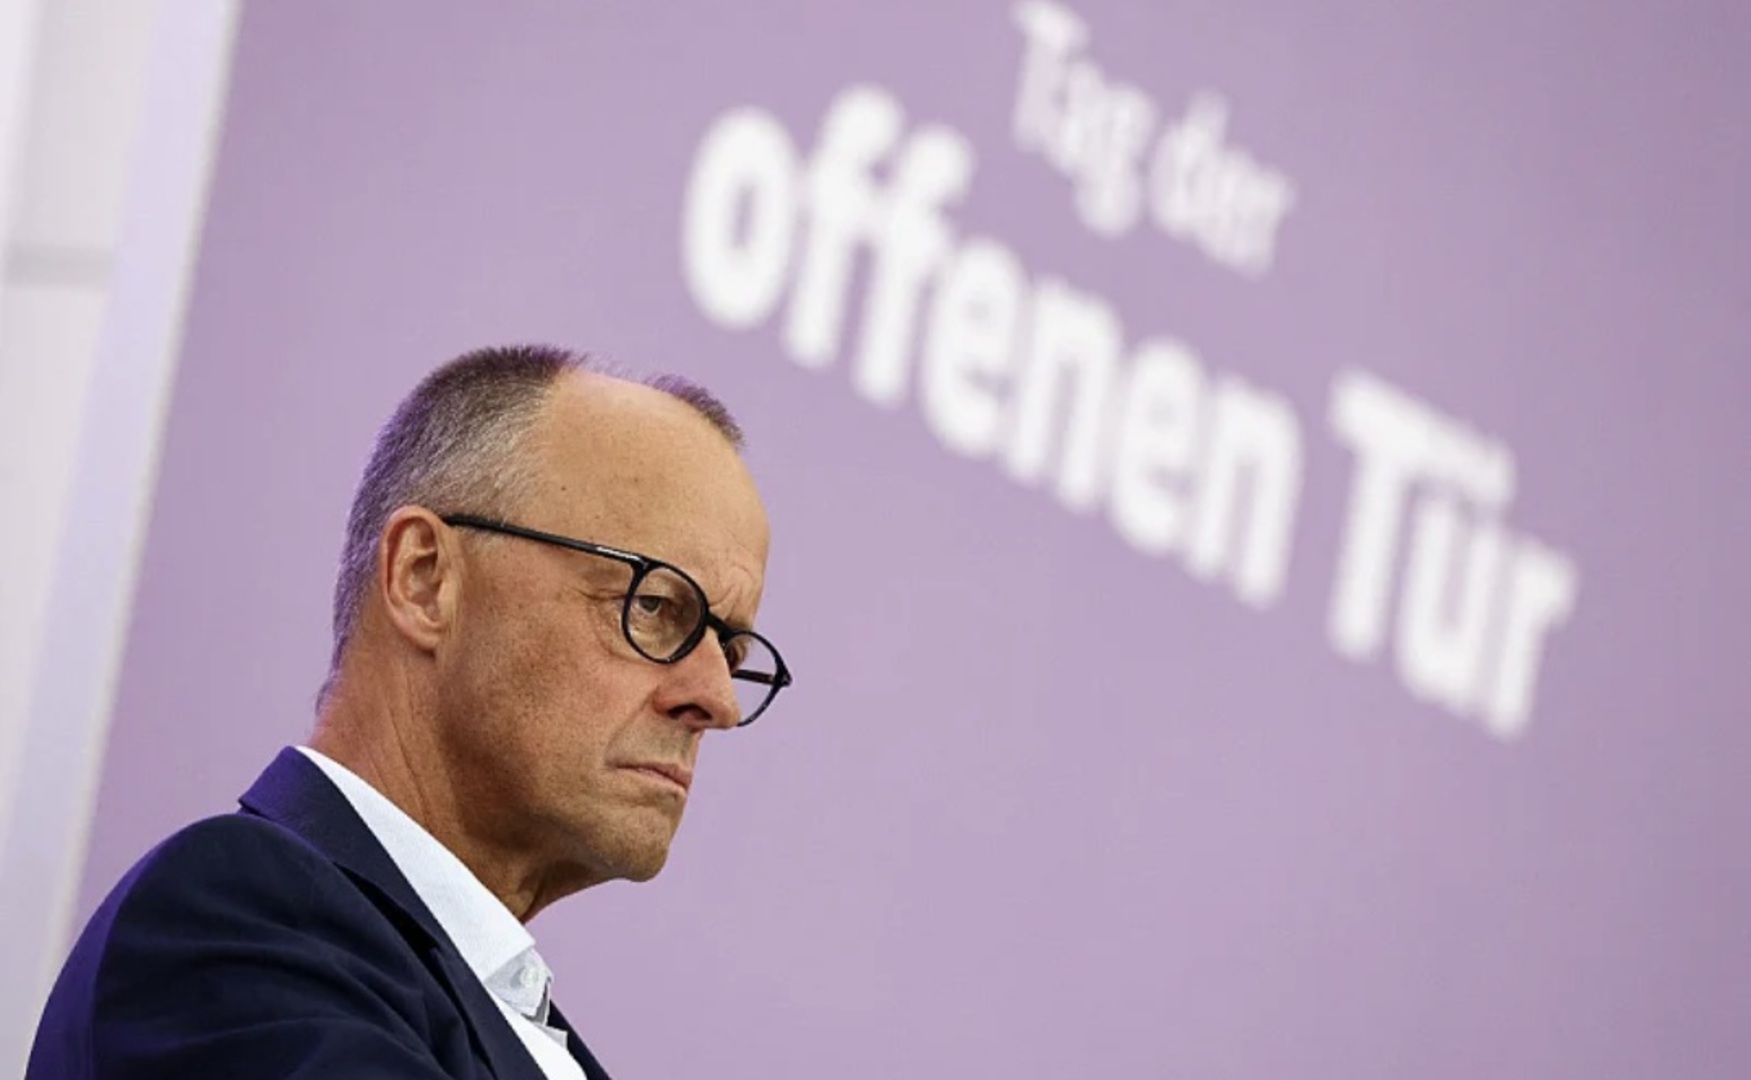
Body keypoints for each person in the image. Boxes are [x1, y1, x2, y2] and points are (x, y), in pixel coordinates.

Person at [26, 345, 792, 1079]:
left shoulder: (505, 1020)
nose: (717, 700)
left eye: (729, 650)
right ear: (424, 579)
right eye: (655, 607)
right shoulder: (233, 920)